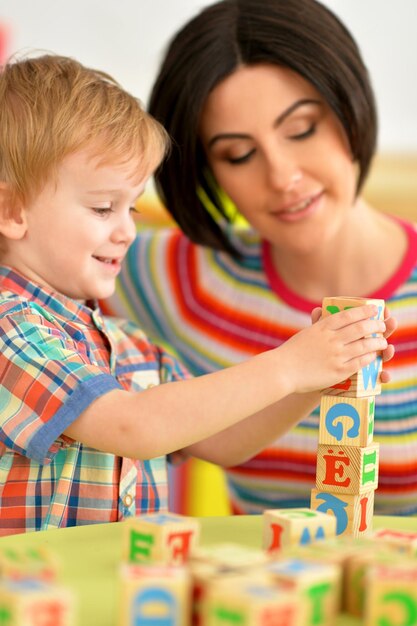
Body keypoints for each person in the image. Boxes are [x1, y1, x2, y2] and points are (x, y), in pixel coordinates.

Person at [0, 54, 393, 535]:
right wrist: (289, 364)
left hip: (127, 594)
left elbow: (227, 440)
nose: (126, 232)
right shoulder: (10, 326)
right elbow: (133, 427)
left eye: (133, 210)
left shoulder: (127, 344)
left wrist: (316, 374)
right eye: (104, 208)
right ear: (11, 210)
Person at [105, 0, 417, 516]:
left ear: (350, 102)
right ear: (208, 170)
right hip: (253, 590)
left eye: (302, 129)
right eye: (238, 155)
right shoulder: (175, 280)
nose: (282, 177)